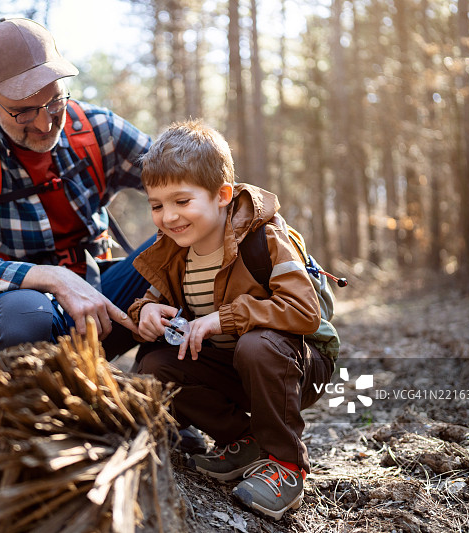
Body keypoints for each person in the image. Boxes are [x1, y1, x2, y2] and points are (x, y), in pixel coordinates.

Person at [127, 120, 334, 520]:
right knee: (156, 364)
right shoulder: (174, 251)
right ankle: (244, 440)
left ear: (222, 195)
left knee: (257, 345)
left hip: (298, 366)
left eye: (182, 201)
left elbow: (305, 311)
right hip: (235, 370)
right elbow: (155, 299)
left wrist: (225, 319)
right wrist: (146, 312)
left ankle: (287, 466)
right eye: (157, 205)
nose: (168, 216)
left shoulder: (265, 237)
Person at [0, 18, 154, 357]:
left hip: (104, 300)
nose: (45, 123)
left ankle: (165, 378)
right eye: (23, 112)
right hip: (25, 318)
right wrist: (50, 278)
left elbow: (192, 182)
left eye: (55, 102)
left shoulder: (97, 129)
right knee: (24, 319)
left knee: (183, 246)